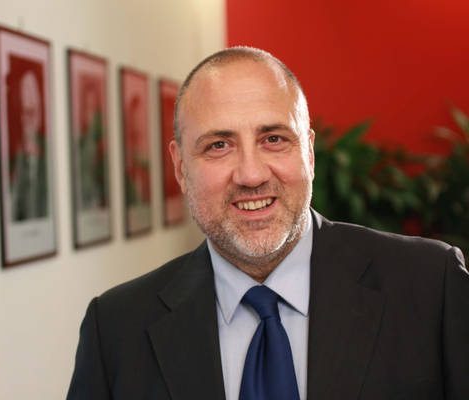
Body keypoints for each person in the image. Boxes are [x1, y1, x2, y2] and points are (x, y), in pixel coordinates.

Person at [66, 47, 469, 400]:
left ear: (309, 152)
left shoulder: (431, 286)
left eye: (274, 139)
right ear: (180, 167)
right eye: (219, 145)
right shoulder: (115, 329)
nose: (251, 174)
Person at [10, 70, 48, 221]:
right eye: (26, 112)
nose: (29, 119)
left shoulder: (49, 153)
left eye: (33, 111)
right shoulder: (16, 156)